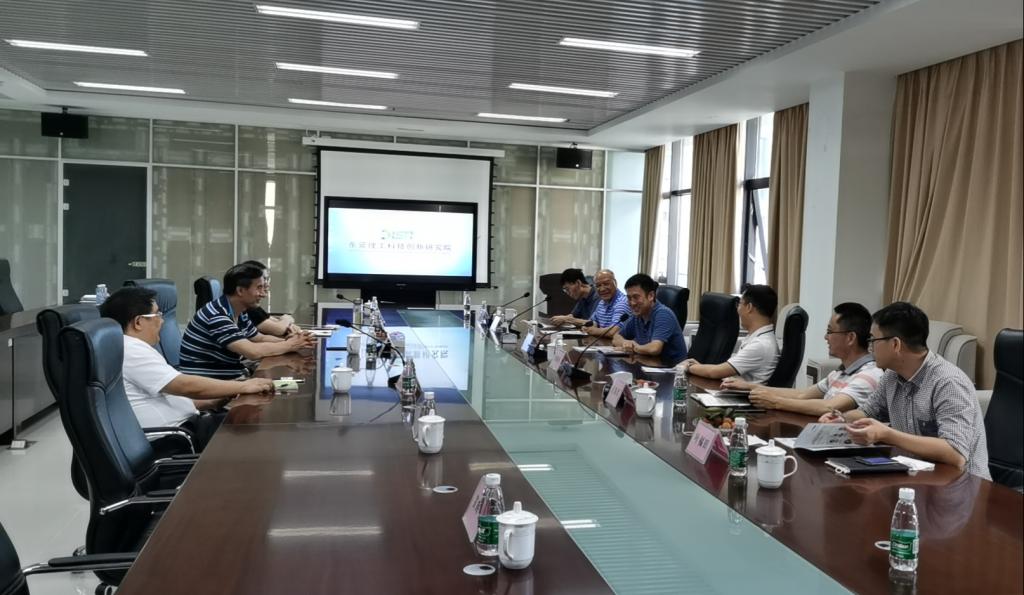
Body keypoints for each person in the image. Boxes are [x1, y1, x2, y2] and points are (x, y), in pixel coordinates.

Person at [819, 302, 990, 479]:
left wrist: (886, 434)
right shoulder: (891, 376)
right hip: (915, 477)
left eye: (873, 340)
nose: (870, 347)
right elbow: (867, 411)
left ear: (895, 344)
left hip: (961, 485)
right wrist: (843, 419)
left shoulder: (948, 382)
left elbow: (956, 454)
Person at [100, 286, 274, 450]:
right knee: (257, 432)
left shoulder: (131, 347)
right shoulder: (131, 350)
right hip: (174, 439)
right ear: (138, 322)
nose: (162, 321)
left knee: (255, 425)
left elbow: (167, 397)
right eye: (157, 314)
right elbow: (184, 386)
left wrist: (214, 401)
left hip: (186, 427)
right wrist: (242, 386)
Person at [723, 302, 882, 416]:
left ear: (850, 338)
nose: (825, 337)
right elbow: (802, 394)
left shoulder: (869, 375)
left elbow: (829, 407)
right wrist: (749, 387)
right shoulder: (839, 373)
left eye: (830, 331)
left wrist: (775, 402)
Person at [179, 262, 316, 379]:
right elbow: (252, 351)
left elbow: (259, 338)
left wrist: (292, 340)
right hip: (209, 384)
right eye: (259, 288)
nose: (263, 294)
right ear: (240, 291)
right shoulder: (217, 316)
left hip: (229, 375)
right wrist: (290, 345)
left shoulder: (239, 311)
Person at [681, 284, 779, 382]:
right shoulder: (758, 337)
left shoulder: (760, 344)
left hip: (744, 392)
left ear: (749, 307)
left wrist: (687, 366)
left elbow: (715, 372)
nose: (738, 309)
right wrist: (699, 368)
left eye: (739, 304)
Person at [611, 274, 687, 365]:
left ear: (651, 296)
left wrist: (634, 347)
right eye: (629, 298)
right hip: (649, 366)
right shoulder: (637, 315)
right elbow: (616, 337)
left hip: (672, 370)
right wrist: (625, 343)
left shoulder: (663, 314)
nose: (632, 303)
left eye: (636, 297)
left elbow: (654, 349)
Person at [240, 260, 301, 337]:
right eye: (264, 279)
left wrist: (288, 325)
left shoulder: (252, 304)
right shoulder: (245, 306)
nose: (266, 284)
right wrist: (287, 319)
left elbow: (269, 320)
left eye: (267, 279)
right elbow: (279, 329)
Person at [583, 269, 631, 337]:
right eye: (598, 286)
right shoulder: (602, 302)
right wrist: (589, 326)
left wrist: (592, 330)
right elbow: (593, 321)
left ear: (615, 283)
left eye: (606, 284)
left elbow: (613, 332)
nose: (602, 289)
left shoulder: (622, 302)